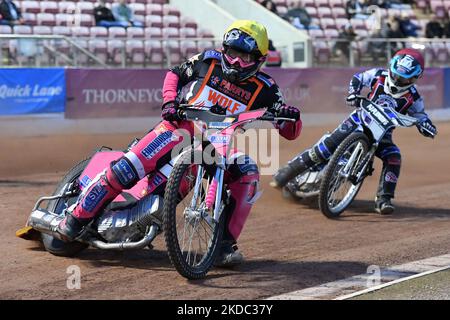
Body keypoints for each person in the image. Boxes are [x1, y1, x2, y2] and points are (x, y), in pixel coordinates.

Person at [56, 20, 302, 267]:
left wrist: (292, 118)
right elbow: (174, 73)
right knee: (128, 166)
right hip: (180, 127)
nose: (236, 61)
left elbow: (289, 131)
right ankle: (76, 217)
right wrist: (169, 102)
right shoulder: (207, 60)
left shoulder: (268, 89)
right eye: (232, 52)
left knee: (248, 170)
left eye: (244, 56)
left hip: (218, 142)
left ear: (259, 60)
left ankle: (224, 246)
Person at [271, 48, 437, 215]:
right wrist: (353, 94)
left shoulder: (414, 98)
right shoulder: (378, 74)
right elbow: (358, 78)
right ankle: (286, 174)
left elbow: (421, 115)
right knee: (324, 148)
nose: (398, 80)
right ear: (391, 67)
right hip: (357, 120)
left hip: (383, 135)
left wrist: (426, 126)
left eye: (403, 78)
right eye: (396, 75)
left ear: (415, 78)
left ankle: (383, 199)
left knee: (394, 157)